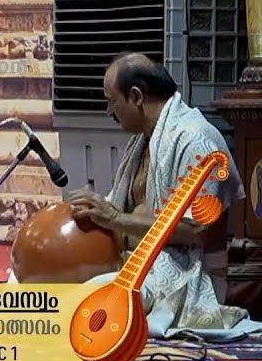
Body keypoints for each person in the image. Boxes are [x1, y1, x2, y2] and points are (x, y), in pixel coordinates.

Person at [64, 53, 262, 337]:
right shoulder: (143, 140)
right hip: (138, 263)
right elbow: (120, 212)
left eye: (112, 101)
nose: (110, 111)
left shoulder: (197, 140)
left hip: (187, 276)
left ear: (136, 97)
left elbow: (196, 229)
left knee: (84, 301)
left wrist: (114, 218)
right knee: (52, 278)